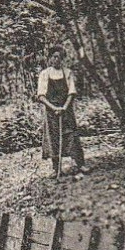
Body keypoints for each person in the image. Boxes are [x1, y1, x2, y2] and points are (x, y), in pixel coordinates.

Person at [35, 46, 89, 176]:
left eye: (59, 57)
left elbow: (72, 91)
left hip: (66, 110)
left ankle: (80, 164)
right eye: (54, 57)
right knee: (53, 138)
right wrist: (54, 108)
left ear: (62, 59)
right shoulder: (44, 74)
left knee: (72, 136)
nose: (56, 60)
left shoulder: (67, 72)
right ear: (50, 58)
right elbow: (41, 96)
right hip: (51, 111)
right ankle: (56, 168)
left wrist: (64, 107)